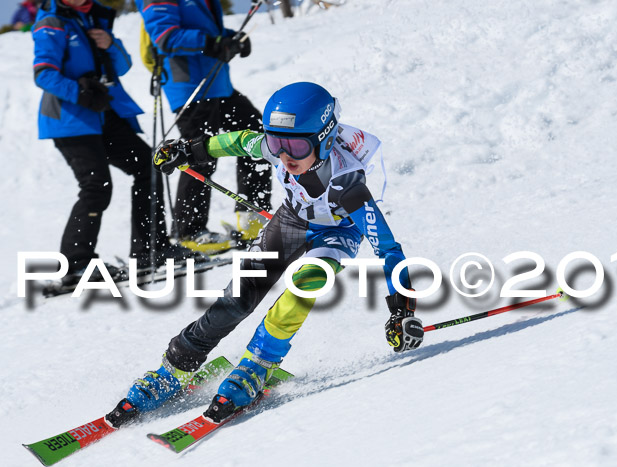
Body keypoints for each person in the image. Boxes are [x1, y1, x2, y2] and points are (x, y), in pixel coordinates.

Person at [108, 82, 425, 424]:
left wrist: (401, 310)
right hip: (291, 218)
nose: (285, 156)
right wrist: (190, 151)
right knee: (238, 297)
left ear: (326, 138)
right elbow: (241, 140)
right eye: (276, 143)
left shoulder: (348, 185)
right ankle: (175, 366)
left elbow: (388, 249)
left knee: (304, 288)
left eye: (297, 146)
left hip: (336, 233)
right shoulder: (280, 149)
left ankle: (257, 365)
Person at [32, 0, 201, 286]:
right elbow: (43, 73)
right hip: (70, 119)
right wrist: (80, 92)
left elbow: (122, 66)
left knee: (151, 168)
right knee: (96, 186)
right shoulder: (52, 22)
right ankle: (75, 264)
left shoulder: (94, 17)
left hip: (104, 114)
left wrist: (110, 43)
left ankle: (151, 248)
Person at [136, 0, 273, 253]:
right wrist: (212, 44)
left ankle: (253, 219)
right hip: (189, 88)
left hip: (218, 84)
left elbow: (206, 29)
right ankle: (189, 232)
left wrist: (232, 39)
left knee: (257, 138)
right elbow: (165, 36)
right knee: (198, 154)